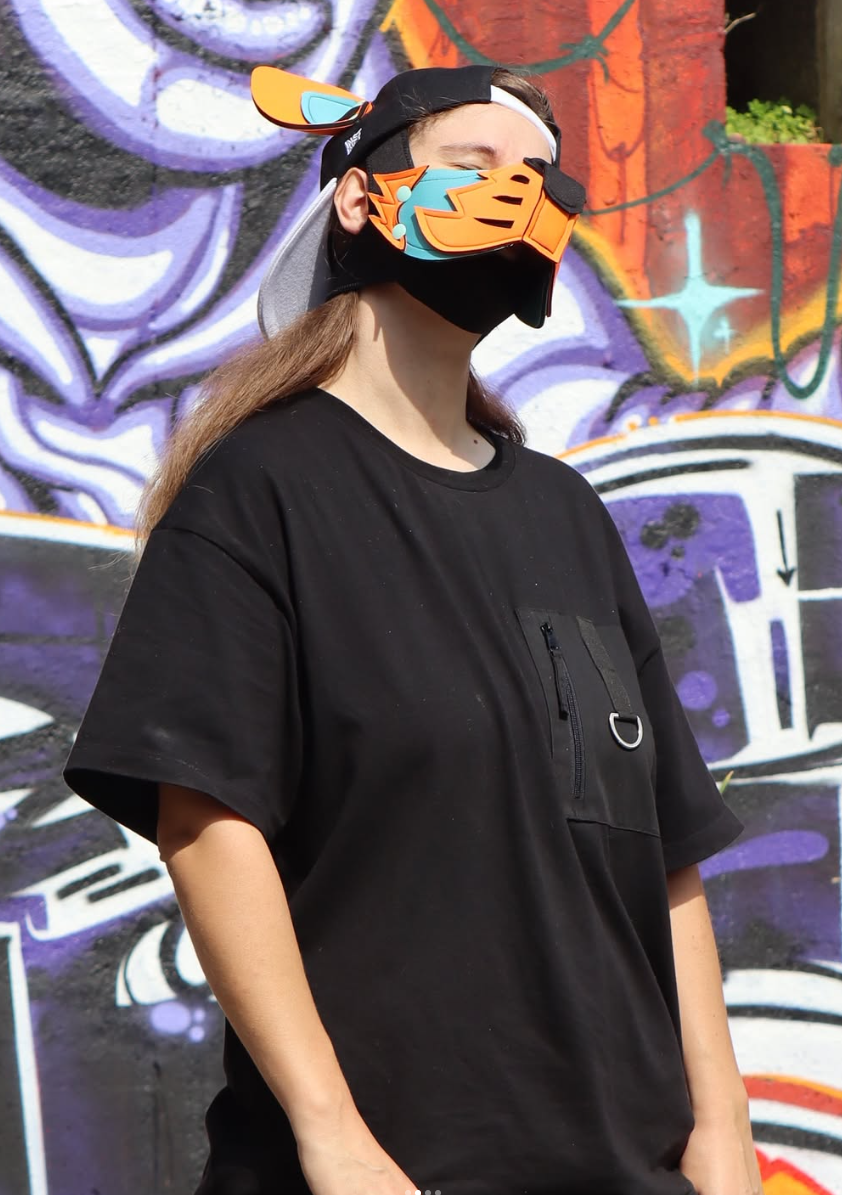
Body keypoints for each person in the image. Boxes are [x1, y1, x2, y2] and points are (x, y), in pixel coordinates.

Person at [62, 61, 763, 1195]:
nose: (517, 194)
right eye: (472, 164)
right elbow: (205, 820)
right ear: (359, 197)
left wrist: (722, 1136)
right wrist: (333, 1136)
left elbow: (660, 854)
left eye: (539, 175)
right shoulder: (262, 488)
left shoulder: (564, 515)